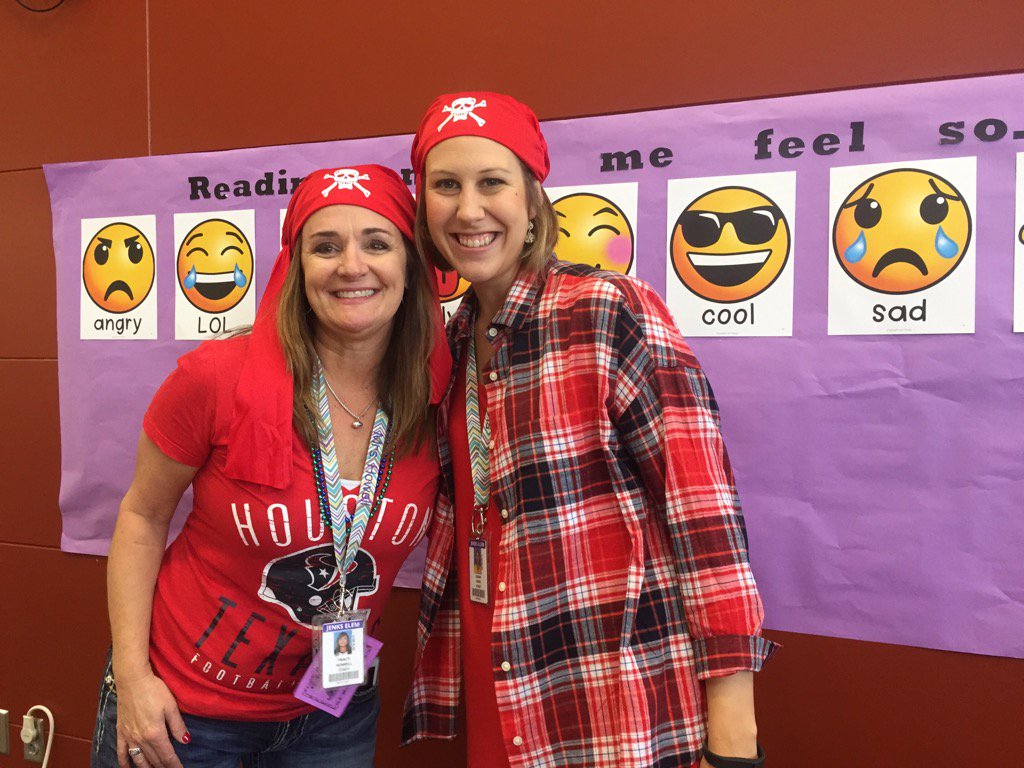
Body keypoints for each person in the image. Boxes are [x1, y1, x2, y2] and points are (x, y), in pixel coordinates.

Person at [401, 92, 778, 768]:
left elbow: (706, 519)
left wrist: (733, 734)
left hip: (613, 703)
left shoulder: (607, 312)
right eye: (445, 186)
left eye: (492, 182)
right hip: (501, 684)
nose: (468, 209)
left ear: (532, 197)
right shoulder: (452, 346)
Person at [91, 164, 450, 768]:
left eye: (378, 243)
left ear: (413, 267)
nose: (352, 266)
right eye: (325, 246)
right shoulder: (216, 377)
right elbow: (141, 517)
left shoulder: (438, 397)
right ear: (297, 266)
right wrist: (131, 681)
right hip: (185, 710)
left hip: (333, 714)